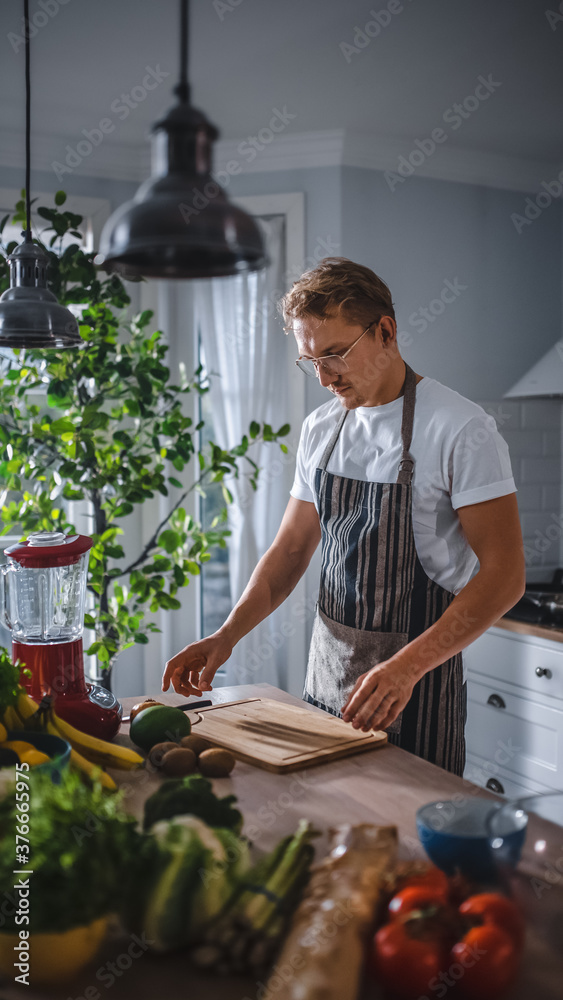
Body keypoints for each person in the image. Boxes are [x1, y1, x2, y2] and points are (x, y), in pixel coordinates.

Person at [162, 257, 525, 775]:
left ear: (385, 331)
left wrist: (406, 668)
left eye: (335, 355)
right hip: (326, 680)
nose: (325, 376)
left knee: (406, 844)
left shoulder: (461, 429)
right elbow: (290, 551)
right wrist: (226, 635)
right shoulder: (321, 429)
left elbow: (505, 577)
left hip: (416, 691)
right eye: (310, 361)